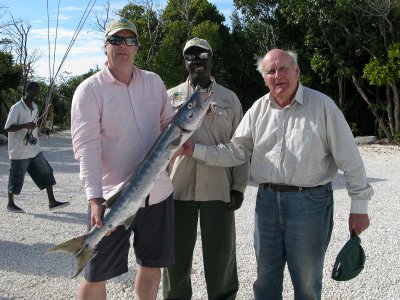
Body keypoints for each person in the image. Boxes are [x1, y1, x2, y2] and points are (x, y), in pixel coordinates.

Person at [181, 49, 374, 299]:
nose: (277, 75)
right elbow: (237, 151)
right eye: (270, 71)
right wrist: (193, 149)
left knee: (306, 283)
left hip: (311, 204)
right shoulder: (259, 109)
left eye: (283, 68)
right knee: (265, 280)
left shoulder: (323, 106)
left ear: (297, 71)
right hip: (267, 203)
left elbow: (350, 159)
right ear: (264, 78)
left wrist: (359, 205)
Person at [71, 18, 175, 300]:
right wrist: (94, 199)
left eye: (130, 41)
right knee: (96, 274)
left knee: (152, 266)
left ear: (137, 48)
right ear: (105, 46)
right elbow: (87, 149)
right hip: (111, 198)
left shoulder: (154, 82)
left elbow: (169, 125)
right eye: (116, 40)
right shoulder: (88, 91)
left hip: (159, 194)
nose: (123, 46)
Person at [162, 38, 250, 300]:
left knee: (221, 255)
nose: (197, 59)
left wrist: (239, 187)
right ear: (184, 62)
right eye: (190, 55)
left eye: (203, 54)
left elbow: (241, 146)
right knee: (175, 257)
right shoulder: (169, 97)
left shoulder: (229, 99)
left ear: (212, 59)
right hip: (176, 188)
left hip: (219, 188)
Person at [4, 82, 70, 213]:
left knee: (46, 172)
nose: (36, 95)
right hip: (19, 151)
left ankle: (52, 201)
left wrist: (44, 125)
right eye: (34, 92)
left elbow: (36, 125)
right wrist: (24, 125)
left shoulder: (34, 107)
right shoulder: (16, 108)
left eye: (37, 93)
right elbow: (7, 127)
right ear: (27, 90)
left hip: (34, 150)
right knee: (15, 177)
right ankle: (10, 204)